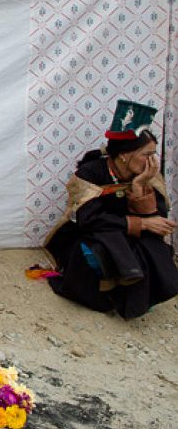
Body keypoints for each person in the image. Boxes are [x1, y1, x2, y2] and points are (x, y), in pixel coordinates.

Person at [44, 100, 178, 319]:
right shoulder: (90, 173)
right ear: (124, 155)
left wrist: (139, 186)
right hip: (92, 236)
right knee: (103, 245)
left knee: (152, 247)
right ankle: (107, 293)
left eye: (154, 154)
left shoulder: (149, 176)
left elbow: (158, 219)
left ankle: (135, 293)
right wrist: (140, 223)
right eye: (146, 155)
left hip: (127, 238)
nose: (152, 161)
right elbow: (89, 219)